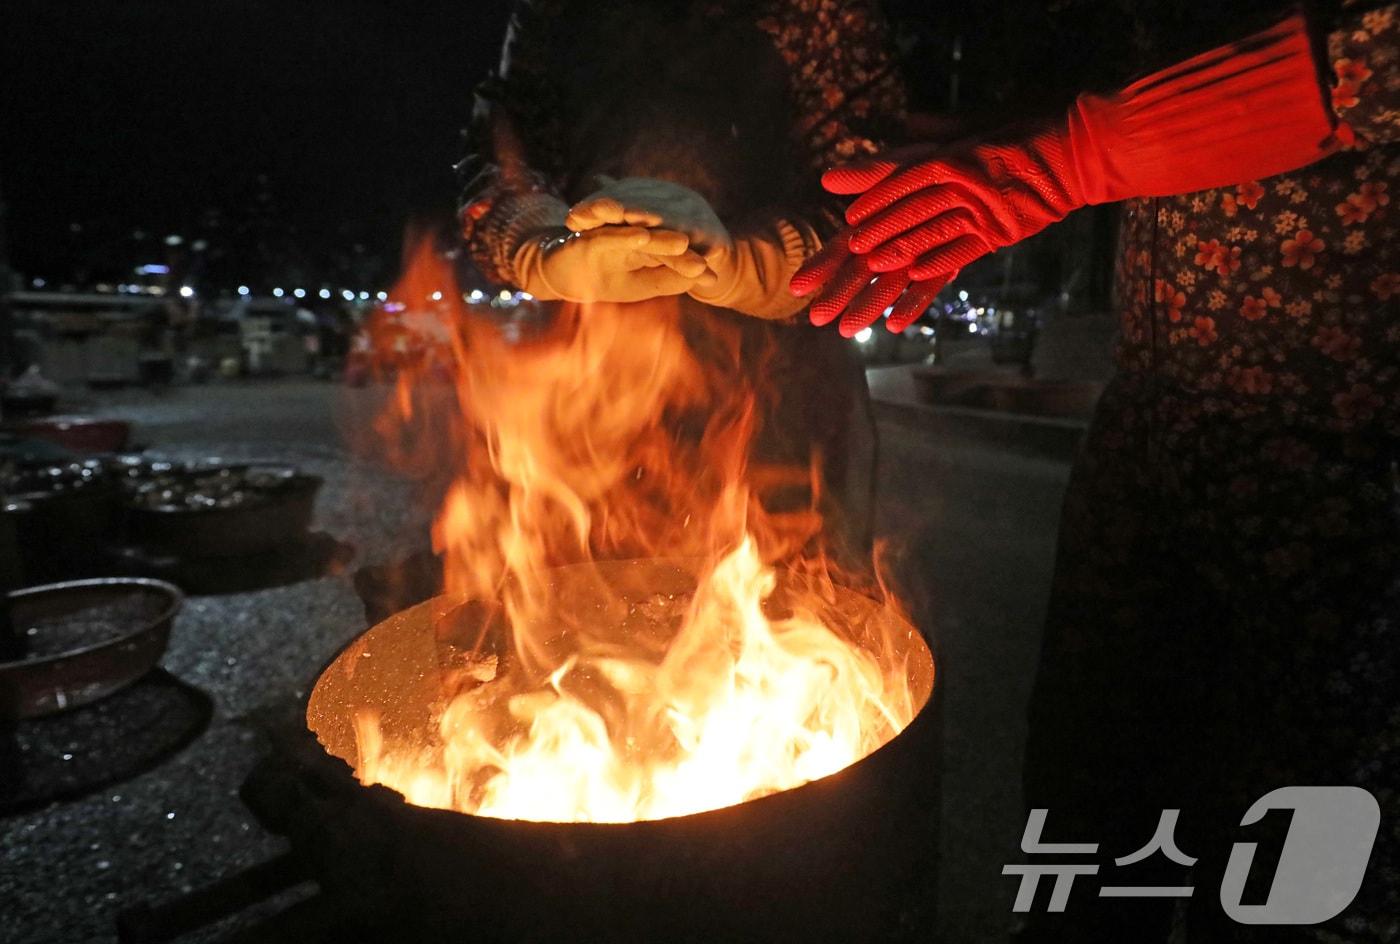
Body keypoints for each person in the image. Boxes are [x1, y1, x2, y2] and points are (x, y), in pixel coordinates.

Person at [795, 2, 1398, 939]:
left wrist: (1080, 151)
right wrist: (1019, 133)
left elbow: (1374, 55)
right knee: (1089, 833)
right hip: (1153, 422)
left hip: (1348, 455)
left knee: (1299, 865)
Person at [457, 0, 908, 566]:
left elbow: (868, 187)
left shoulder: (821, 12)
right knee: (584, 605)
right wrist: (544, 248)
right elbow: (503, 155)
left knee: (774, 602)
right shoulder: (553, 12)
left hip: (775, 391)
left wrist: (748, 262)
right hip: (587, 379)